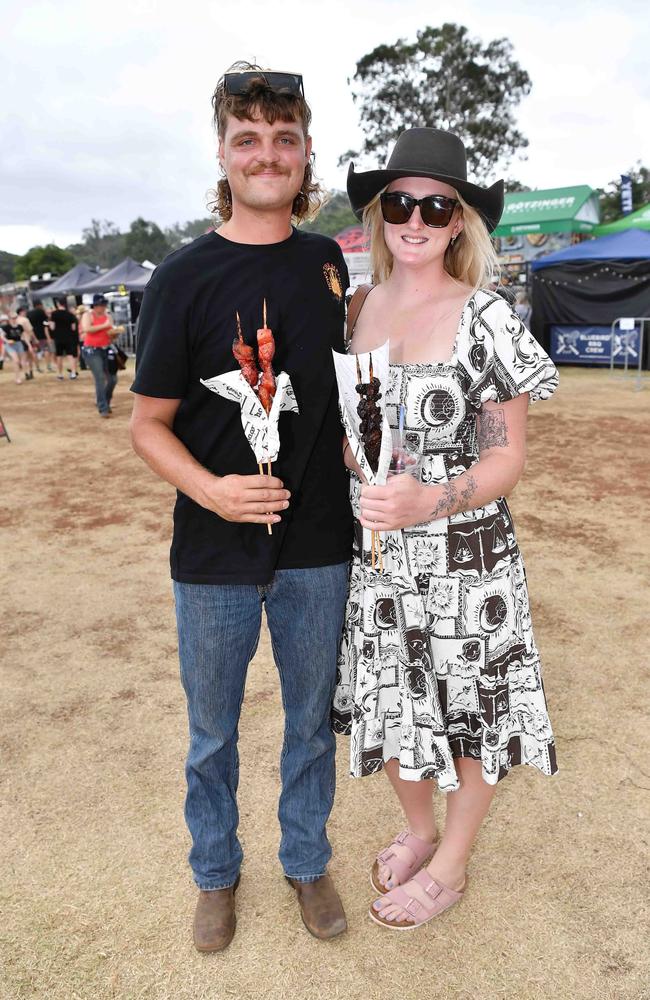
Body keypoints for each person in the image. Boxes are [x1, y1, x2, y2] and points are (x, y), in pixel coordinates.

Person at [129, 64, 353, 951]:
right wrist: (212, 489)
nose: (268, 154)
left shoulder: (328, 262)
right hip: (212, 553)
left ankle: (306, 860)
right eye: (248, 139)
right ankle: (215, 874)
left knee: (310, 720)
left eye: (285, 138)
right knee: (211, 732)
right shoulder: (182, 276)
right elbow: (148, 426)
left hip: (319, 544)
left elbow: (340, 393)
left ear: (305, 157)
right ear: (223, 154)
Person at [335, 127, 559, 930]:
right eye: (401, 202)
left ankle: (452, 866)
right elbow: (353, 428)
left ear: (460, 220)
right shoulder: (358, 307)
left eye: (438, 204)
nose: (417, 219)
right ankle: (421, 830)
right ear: (378, 214)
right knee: (392, 703)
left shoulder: (487, 317)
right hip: (379, 561)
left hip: (468, 564)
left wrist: (427, 501)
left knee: (470, 712)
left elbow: (506, 462)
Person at [80, 295, 117, 417]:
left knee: (113, 379)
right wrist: (105, 326)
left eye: (104, 305)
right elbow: (87, 329)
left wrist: (114, 334)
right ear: (95, 306)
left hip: (106, 348)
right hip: (91, 350)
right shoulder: (87, 315)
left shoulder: (108, 316)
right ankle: (103, 407)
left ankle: (105, 401)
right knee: (100, 378)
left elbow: (110, 333)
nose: (103, 307)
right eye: (100, 305)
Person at [48, 298, 79, 379]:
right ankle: (73, 373)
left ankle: (60, 374)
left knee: (59, 356)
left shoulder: (54, 314)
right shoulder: (70, 314)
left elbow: (52, 327)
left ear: (58, 304)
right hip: (69, 337)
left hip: (58, 338)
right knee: (70, 355)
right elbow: (73, 328)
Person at [0, 313, 28, 383]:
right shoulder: (6, 327)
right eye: (12, 318)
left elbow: (24, 336)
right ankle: (17, 378)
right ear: (9, 319)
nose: (14, 319)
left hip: (19, 344)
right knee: (16, 361)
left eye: (15, 317)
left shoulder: (20, 326)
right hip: (10, 345)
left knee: (22, 361)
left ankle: (25, 373)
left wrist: (29, 345)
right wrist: (7, 341)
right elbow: (2, 336)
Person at [28, 298, 54, 370]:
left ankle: (37, 367)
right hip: (42, 334)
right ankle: (48, 366)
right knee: (46, 350)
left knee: (35, 351)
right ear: (39, 305)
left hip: (33, 334)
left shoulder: (29, 313)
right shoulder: (42, 312)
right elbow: (46, 321)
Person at [16, 307, 39, 377]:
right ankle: (31, 372)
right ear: (21, 312)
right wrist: (35, 339)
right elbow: (30, 330)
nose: (25, 313)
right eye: (24, 311)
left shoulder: (15, 320)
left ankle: (26, 373)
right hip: (27, 339)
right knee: (29, 357)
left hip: (18, 340)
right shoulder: (25, 320)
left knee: (23, 357)